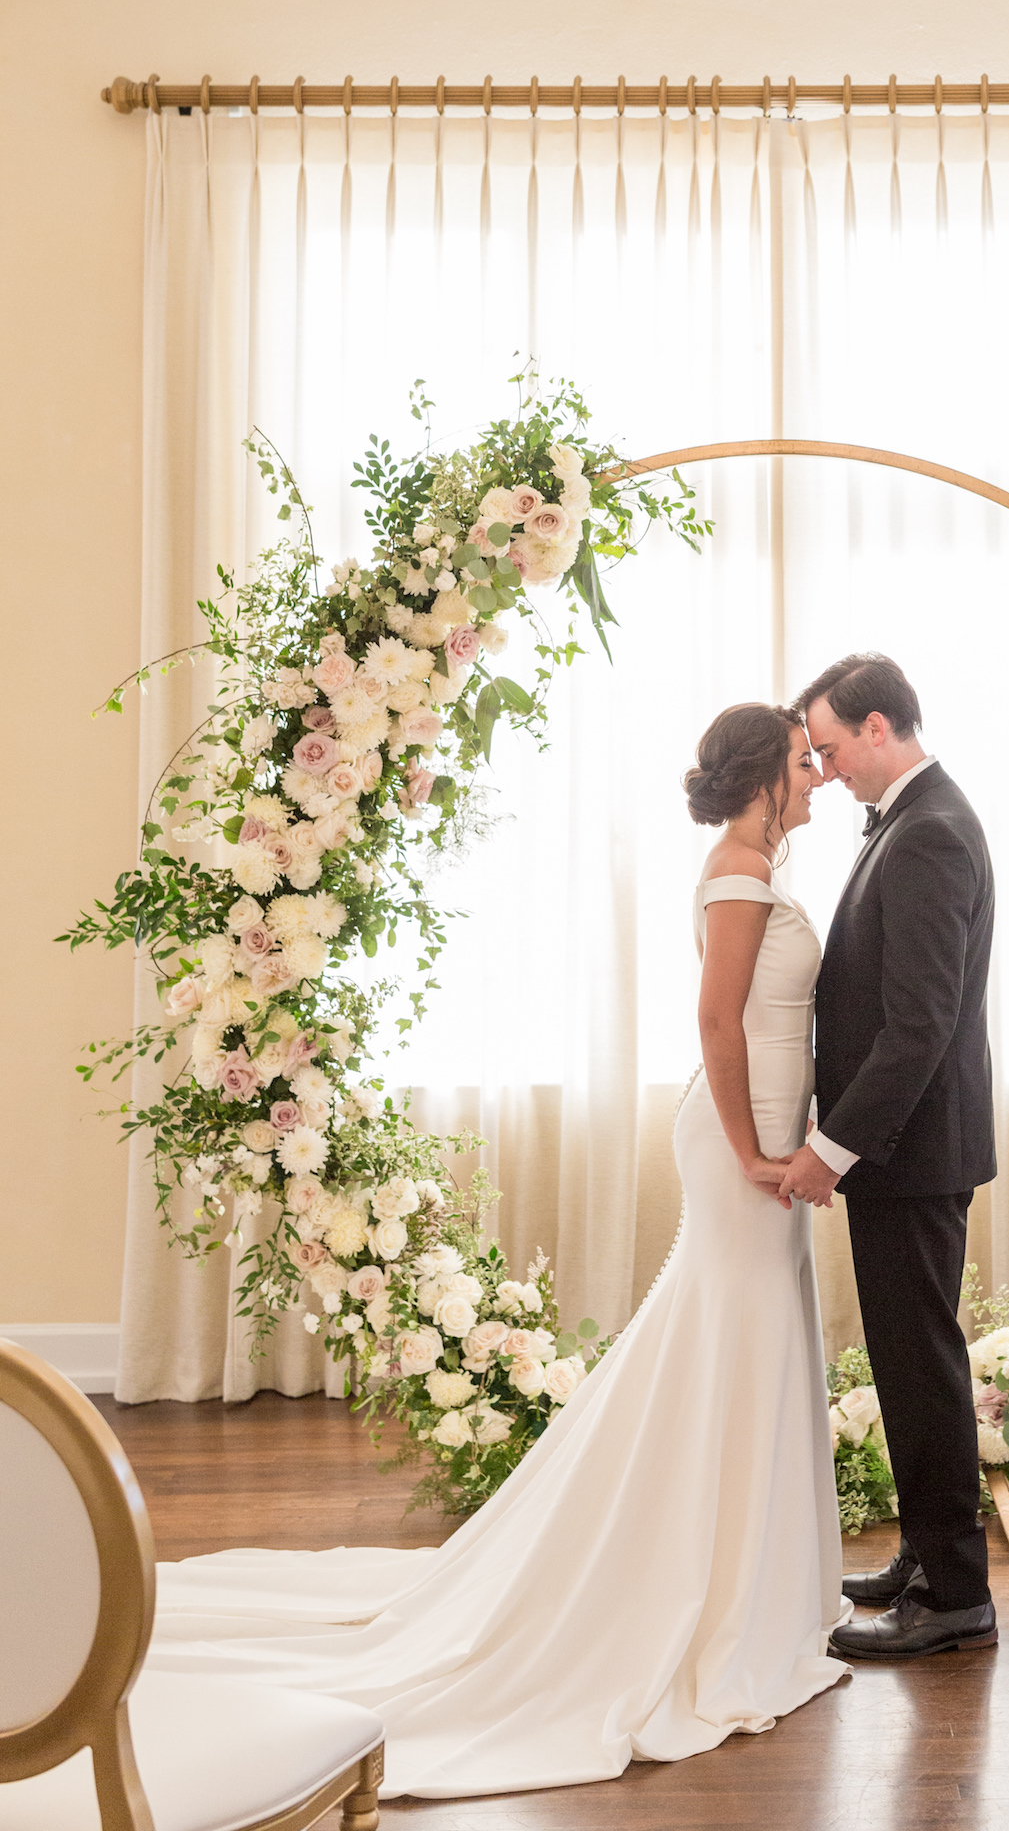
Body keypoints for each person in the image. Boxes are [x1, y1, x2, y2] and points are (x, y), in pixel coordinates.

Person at [141, 703, 849, 1797]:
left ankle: (748, 1579)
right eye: (803, 764)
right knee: (737, 1347)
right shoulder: (737, 874)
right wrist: (758, 1150)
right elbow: (714, 1025)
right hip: (740, 1145)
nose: (817, 778)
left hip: (764, 1139)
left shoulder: (756, 860)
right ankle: (709, 1590)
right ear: (761, 775)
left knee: (743, 1348)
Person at [781, 653, 999, 1661]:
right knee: (911, 1365)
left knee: (924, 1367)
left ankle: (957, 1594)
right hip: (905, 1152)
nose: (823, 772)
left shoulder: (930, 835)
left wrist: (829, 1148)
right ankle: (925, 1552)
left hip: (908, 1151)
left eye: (828, 748)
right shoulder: (917, 822)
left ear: (879, 727)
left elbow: (916, 1027)